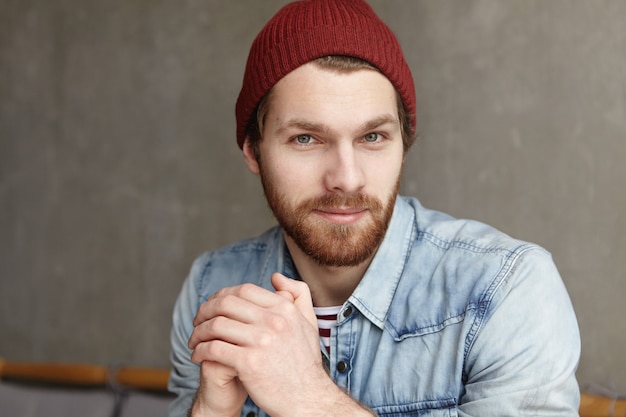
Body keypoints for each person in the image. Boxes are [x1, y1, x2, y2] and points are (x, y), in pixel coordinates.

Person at [167, 0, 581, 416]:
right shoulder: (211, 288)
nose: (347, 178)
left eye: (372, 137)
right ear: (254, 152)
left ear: (404, 143)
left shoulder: (507, 288)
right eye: (306, 139)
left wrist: (307, 397)